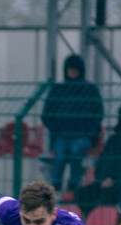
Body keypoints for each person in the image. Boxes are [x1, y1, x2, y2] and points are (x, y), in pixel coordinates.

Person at [41, 54, 104, 193]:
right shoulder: (58, 90)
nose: (72, 73)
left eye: (75, 70)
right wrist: (58, 129)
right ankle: (56, 185)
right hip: (62, 135)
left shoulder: (90, 90)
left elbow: (98, 114)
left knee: (76, 150)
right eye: (70, 70)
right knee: (61, 153)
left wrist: (87, 131)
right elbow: (46, 115)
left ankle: (73, 185)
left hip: (83, 136)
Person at [73, 99, 121, 213]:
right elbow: (103, 161)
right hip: (106, 180)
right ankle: (90, 223)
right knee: (82, 193)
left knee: (111, 192)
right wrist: (103, 178)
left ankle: (120, 217)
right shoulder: (114, 139)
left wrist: (113, 179)